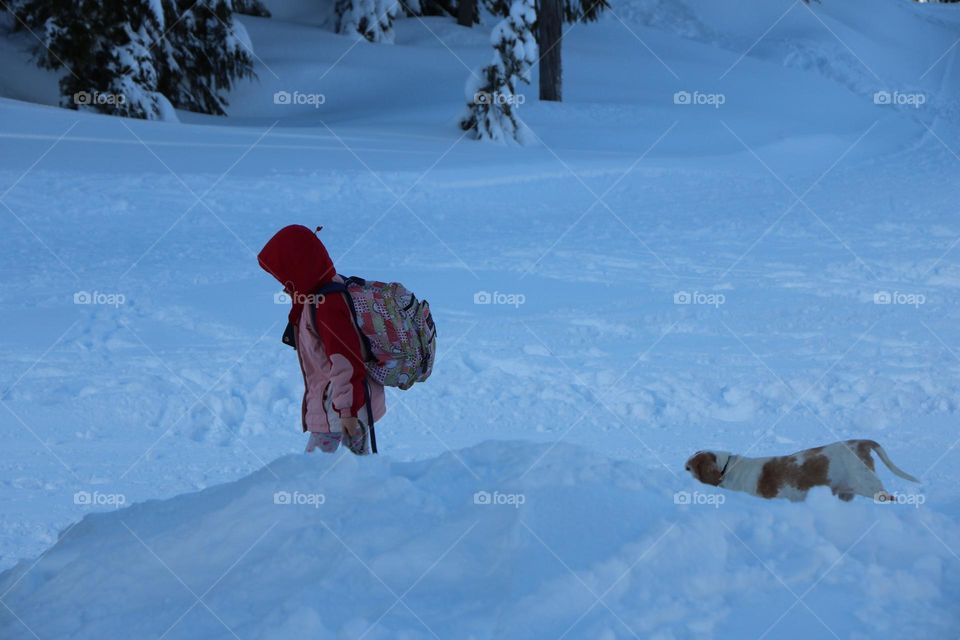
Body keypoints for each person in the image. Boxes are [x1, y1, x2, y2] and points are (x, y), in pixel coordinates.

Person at [257, 224, 386, 455]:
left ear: (299, 269)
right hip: (341, 406)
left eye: (286, 277)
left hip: (342, 410)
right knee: (355, 473)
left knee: (317, 473)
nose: (283, 285)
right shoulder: (316, 294)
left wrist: (348, 413)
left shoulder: (327, 304)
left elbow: (346, 359)